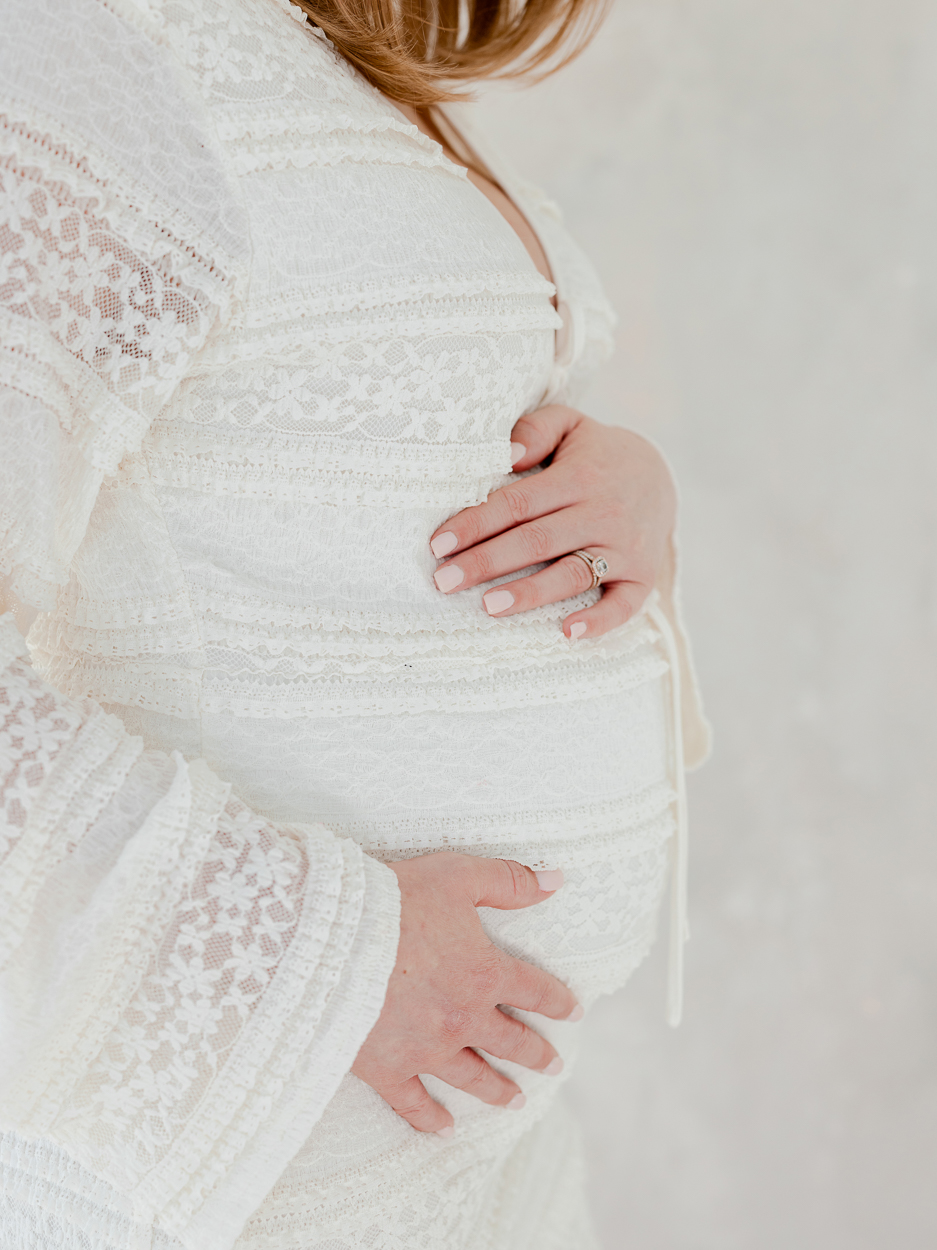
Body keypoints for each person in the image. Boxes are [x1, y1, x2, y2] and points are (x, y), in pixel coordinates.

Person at [0, 0, 710, 1245]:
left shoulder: (349, 78)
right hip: (220, 1183)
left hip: (464, 1155)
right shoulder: (96, 47)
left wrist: (624, 492)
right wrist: (321, 956)